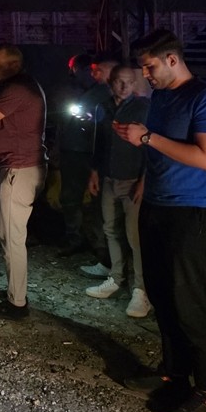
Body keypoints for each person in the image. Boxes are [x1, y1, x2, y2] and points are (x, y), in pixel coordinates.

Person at [113, 29, 206, 412]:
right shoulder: (162, 97)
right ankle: (173, 372)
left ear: (171, 60)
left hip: (194, 213)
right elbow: (161, 150)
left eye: (149, 66)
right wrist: (147, 178)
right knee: (162, 293)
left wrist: (147, 137)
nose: (145, 74)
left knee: (190, 299)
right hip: (159, 206)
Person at [0, 43, 48, 320]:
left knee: (11, 237)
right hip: (23, 166)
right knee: (14, 235)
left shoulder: (15, 89)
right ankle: (14, 290)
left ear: (14, 65)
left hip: (18, 170)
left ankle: (16, 302)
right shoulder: (26, 85)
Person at [81, 64, 152, 317]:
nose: (124, 86)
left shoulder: (143, 109)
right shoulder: (104, 107)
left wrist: (144, 181)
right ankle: (116, 277)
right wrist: (94, 172)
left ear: (134, 84)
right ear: (111, 82)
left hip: (132, 181)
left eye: (128, 82)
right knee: (111, 229)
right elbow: (99, 143)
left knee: (134, 237)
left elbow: (150, 149)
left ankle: (141, 290)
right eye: (119, 81)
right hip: (109, 179)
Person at [56, 53, 117, 259]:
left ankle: (101, 245)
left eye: (97, 70)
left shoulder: (110, 92)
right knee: (71, 197)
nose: (93, 74)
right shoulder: (76, 90)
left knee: (100, 200)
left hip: (94, 153)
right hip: (74, 150)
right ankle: (76, 238)